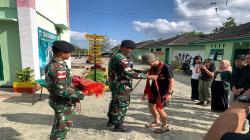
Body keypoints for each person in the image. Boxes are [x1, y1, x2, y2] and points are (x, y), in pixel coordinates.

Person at [107, 40, 157, 132]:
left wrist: (141, 72)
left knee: (115, 102)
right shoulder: (121, 57)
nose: (131, 51)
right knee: (122, 105)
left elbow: (126, 69)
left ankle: (111, 121)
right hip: (121, 86)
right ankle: (118, 126)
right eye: (130, 49)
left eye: (132, 50)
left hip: (115, 85)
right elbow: (130, 74)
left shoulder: (115, 55)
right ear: (123, 47)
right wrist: (148, 76)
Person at [45, 40, 84, 140]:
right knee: (61, 129)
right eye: (69, 52)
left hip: (57, 100)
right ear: (61, 53)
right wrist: (80, 94)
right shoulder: (59, 67)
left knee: (58, 126)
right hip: (62, 102)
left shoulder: (53, 64)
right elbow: (61, 90)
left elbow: (60, 83)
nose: (70, 54)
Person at [142, 53, 174, 133]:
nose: (149, 65)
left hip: (163, 92)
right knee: (151, 105)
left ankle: (165, 126)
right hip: (154, 89)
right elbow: (148, 74)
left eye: (149, 63)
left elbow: (171, 80)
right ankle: (157, 121)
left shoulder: (166, 67)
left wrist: (169, 93)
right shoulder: (153, 67)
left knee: (160, 109)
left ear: (153, 60)